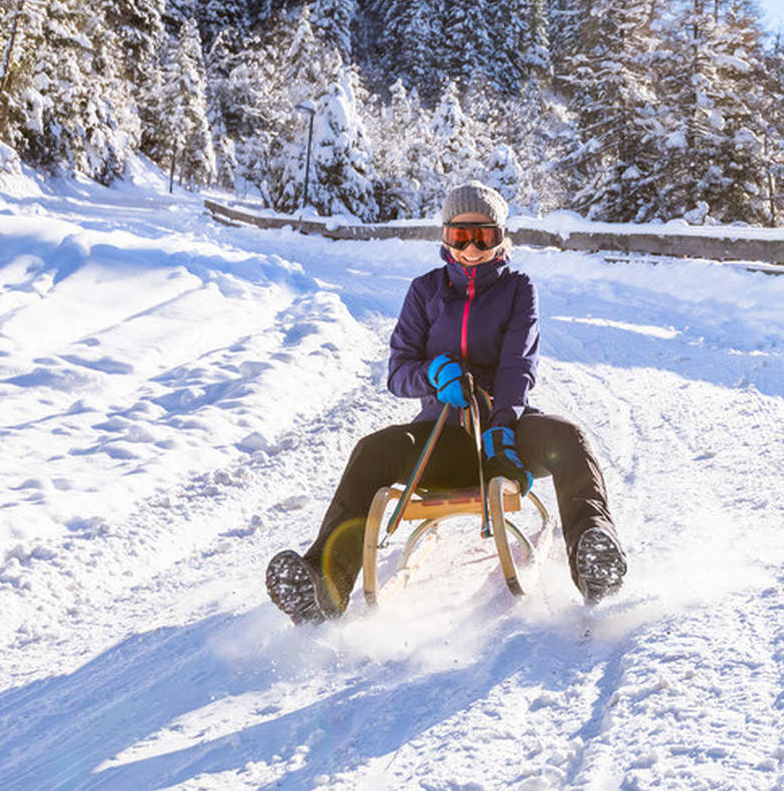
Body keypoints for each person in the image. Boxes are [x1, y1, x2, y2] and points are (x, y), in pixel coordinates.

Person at [265, 181, 627, 624]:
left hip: (506, 437)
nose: (472, 249)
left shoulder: (518, 290)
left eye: (484, 236)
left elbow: (518, 367)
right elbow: (397, 373)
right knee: (372, 450)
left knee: (568, 437)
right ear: (444, 237)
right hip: (443, 437)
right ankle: (324, 584)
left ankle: (593, 553)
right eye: (461, 236)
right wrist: (434, 375)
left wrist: (502, 427)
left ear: (501, 238)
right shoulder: (424, 291)